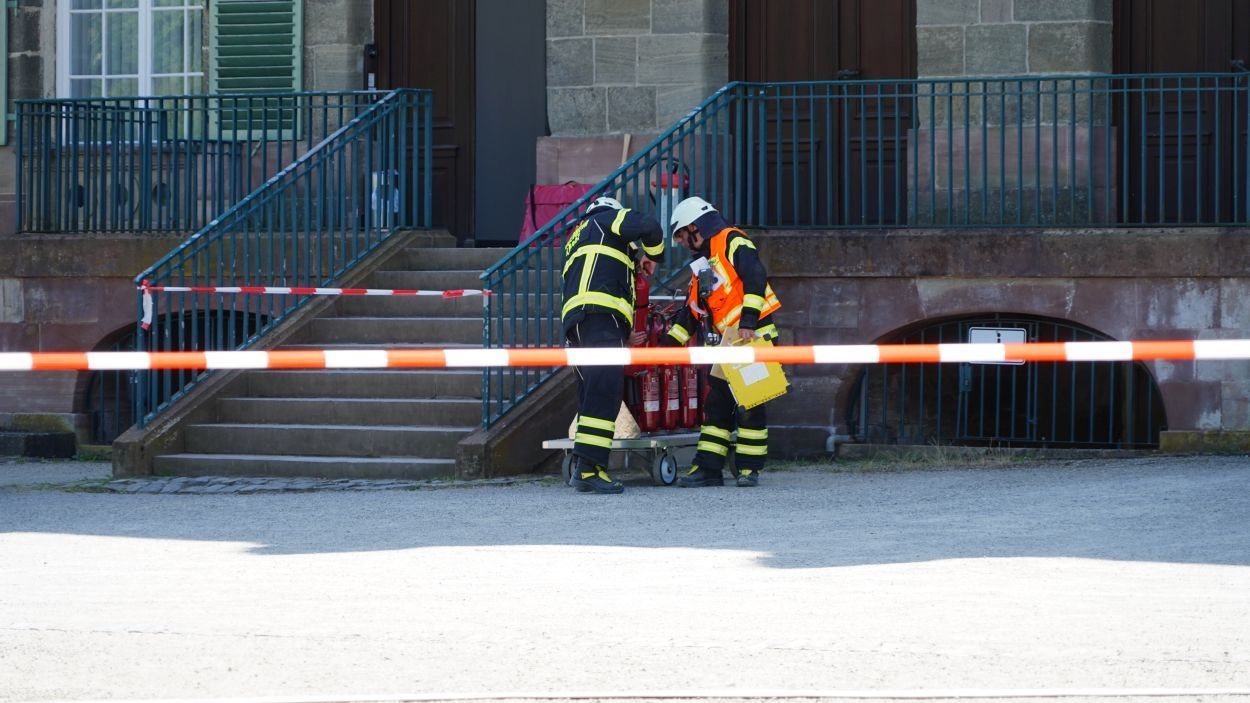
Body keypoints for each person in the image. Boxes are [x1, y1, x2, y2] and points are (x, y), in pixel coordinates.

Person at [662, 196, 781, 488]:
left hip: (752, 336)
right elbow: (692, 312)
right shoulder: (704, 264)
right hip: (729, 345)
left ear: (694, 228)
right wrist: (666, 348)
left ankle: (748, 470)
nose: (680, 243)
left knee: (750, 404)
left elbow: (755, 275)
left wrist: (749, 322)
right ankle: (708, 469)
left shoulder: (732, 240)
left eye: (681, 236)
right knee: (717, 405)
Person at [562, 196, 664, 494]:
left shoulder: (577, 236)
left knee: (591, 393)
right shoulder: (607, 219)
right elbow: (648, 225)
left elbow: (600, 273)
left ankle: (583, 466)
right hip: (600, 318)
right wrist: (654, 255)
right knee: (605, 391)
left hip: (579, 324)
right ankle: (592, 469)